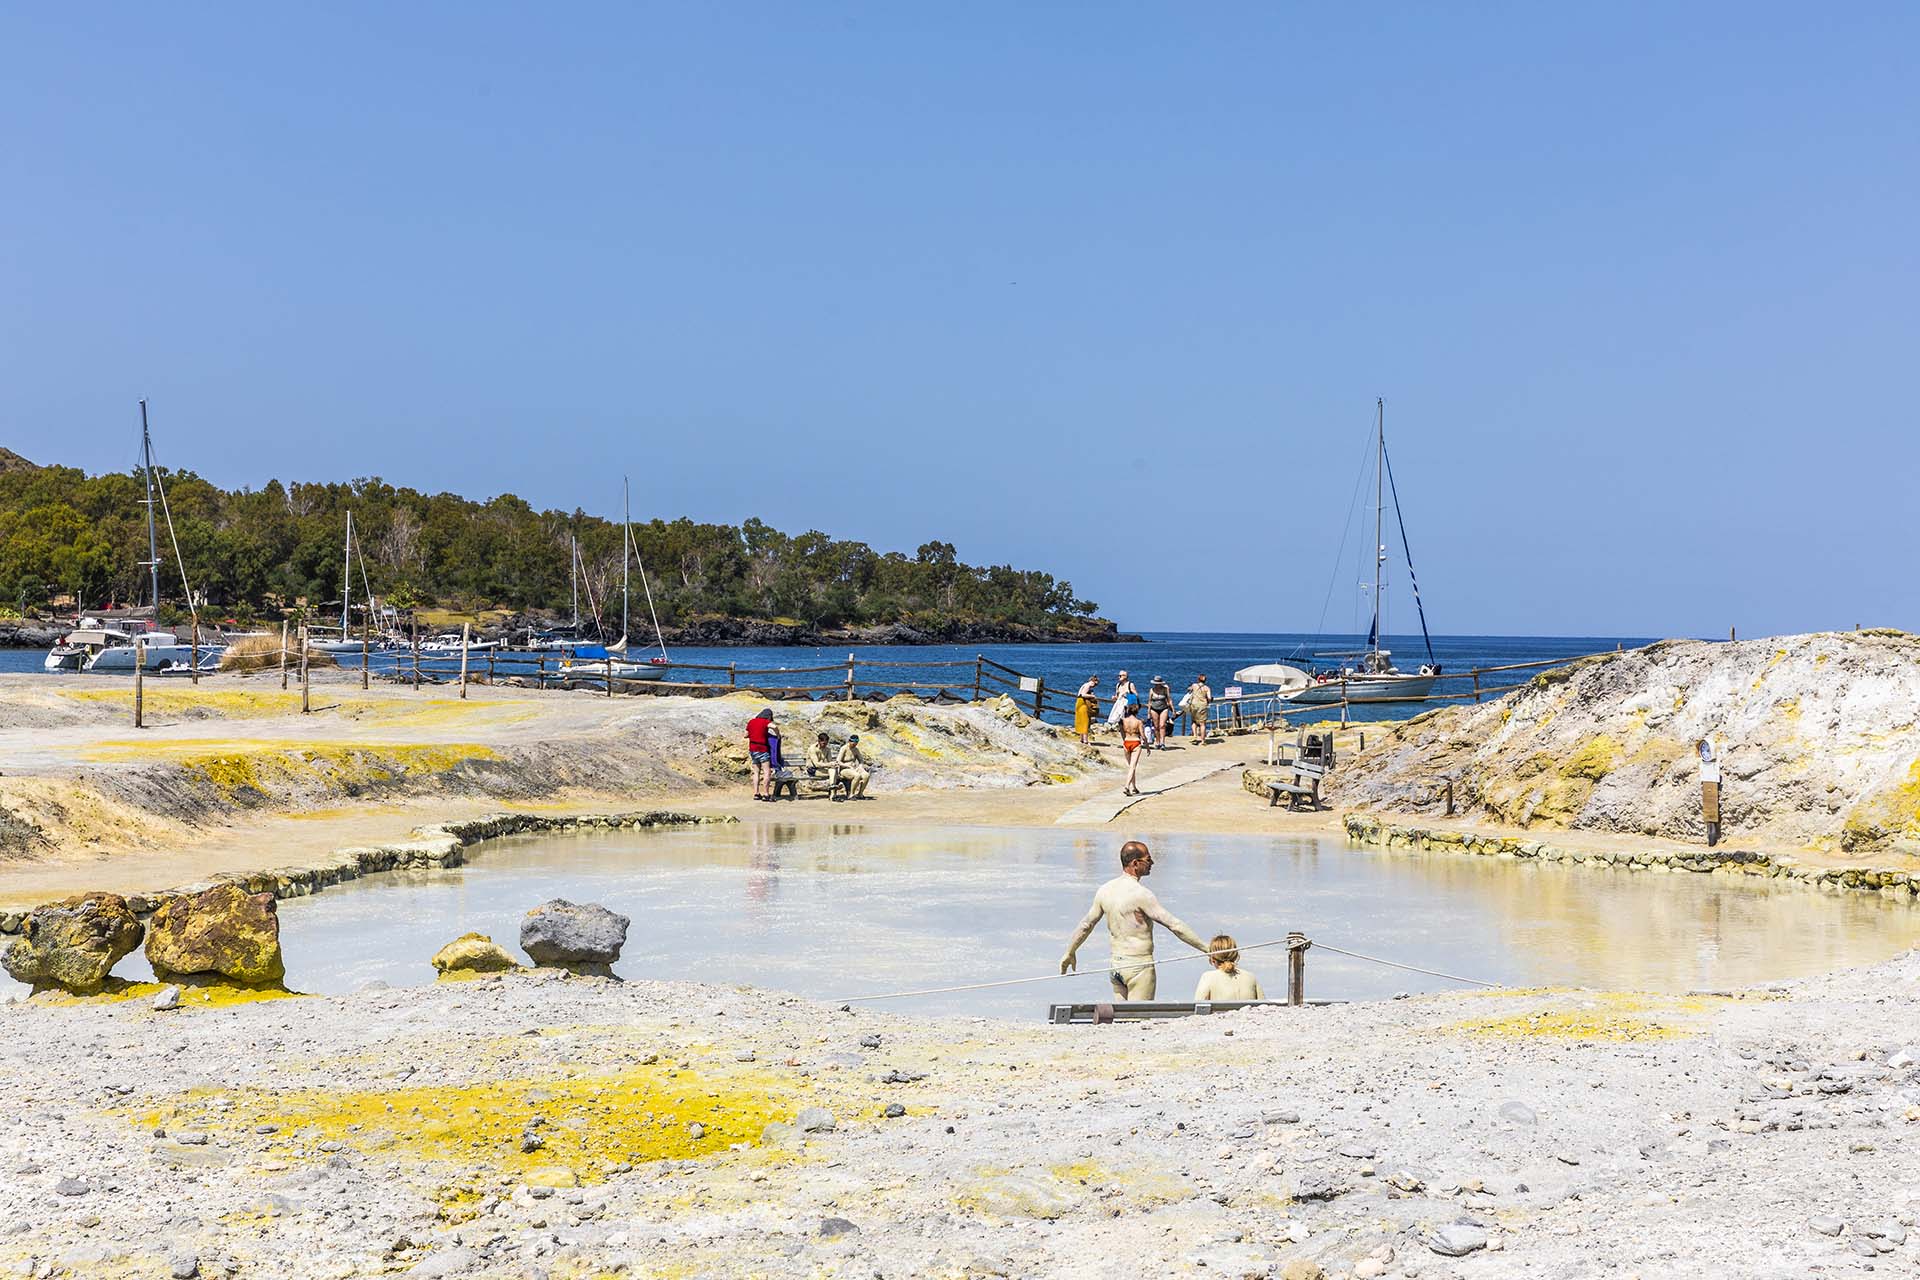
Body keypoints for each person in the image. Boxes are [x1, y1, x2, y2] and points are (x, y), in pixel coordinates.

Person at [1060, 840, 1209, 1000]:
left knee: (1123, 1020)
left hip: (1116, 965)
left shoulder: (1105, 890)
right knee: (1138, 1019)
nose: (1152, 863)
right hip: (1139, 966)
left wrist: (1070, 952)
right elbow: (1174, 925)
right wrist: (1207, 948)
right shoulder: (1141, 894)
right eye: (1148, 859)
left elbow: (1086, 925)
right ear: (1135, 863)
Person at [1194, 934, 1264, 1001]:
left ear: (1212, 958)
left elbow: (1199, 1006)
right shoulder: (1251, 977)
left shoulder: (1208, 977)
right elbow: (1264, 1006)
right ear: (1236, 955)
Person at [746, 708, 775, 801]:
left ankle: (756, 793)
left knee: (756, 772)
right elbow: (774, 727)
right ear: (769, 716)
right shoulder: (765, 722)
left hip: (753, 749)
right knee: (767, 772)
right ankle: (766, 794)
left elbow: (745, 735)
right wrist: (777, 735)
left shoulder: (751, 721)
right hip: (762, 748)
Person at [1120, 702, 1146, 796]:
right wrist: (1147, 746)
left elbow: (1122, 731)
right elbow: (1143, 735)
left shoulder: (1124, 721)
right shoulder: (1138, 722)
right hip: (1135, 742)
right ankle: (1127, 786)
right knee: (1132, 766)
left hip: (1126, 742)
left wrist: (1124, 740)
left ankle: (1134, 787)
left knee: (1131, 766)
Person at [836, 733, 872, 800]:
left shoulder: (856, 749)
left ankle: (860, 793)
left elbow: (861, 760)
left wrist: (860, 766)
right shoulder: (844, 748)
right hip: (844, 769)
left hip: (854, 768)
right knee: (857, 775)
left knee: (866, 775)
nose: (854, 745)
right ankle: (851, 794)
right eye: (853, 743)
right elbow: (838, 761)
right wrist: (847, 765)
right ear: (849, 741)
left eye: (856, 743)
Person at [1146, 676, 1173, 749]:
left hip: (1164, 708)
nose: (1157, 685)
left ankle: (1162, 742)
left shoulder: (1165, 689)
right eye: (1156, 683)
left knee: (1162, 725)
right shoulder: (1152, 690)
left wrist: (1173, 710)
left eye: (1158, 683)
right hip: (1154, 708)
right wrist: (1148, 713)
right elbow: (1149, 701)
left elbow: (1169, 699)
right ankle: (1157, 741)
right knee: (1156, 726)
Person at [1185, 674, 1212, 744]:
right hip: (1202, 705)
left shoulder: (1194, 685)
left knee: (1193, 721)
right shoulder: (1207, 688)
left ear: (1198, 679)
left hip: (1194, 705)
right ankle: (1203, 740)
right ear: (1205, 680)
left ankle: (1194, 736)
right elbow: (1209, 698)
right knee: (1202, 724)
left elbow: (1188, 689)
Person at [1074, 675, 1099, 745]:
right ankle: (1085, 740)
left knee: (1081, 721)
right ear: (1092, 681)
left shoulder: (1085, 685)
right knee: (1085, 722)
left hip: (1079, 703)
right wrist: (1092, 696)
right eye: (1095, 684)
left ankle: (1082, 739)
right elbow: (1083, 694)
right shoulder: (1087, 686)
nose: (1094, 686)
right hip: (1083, 704)